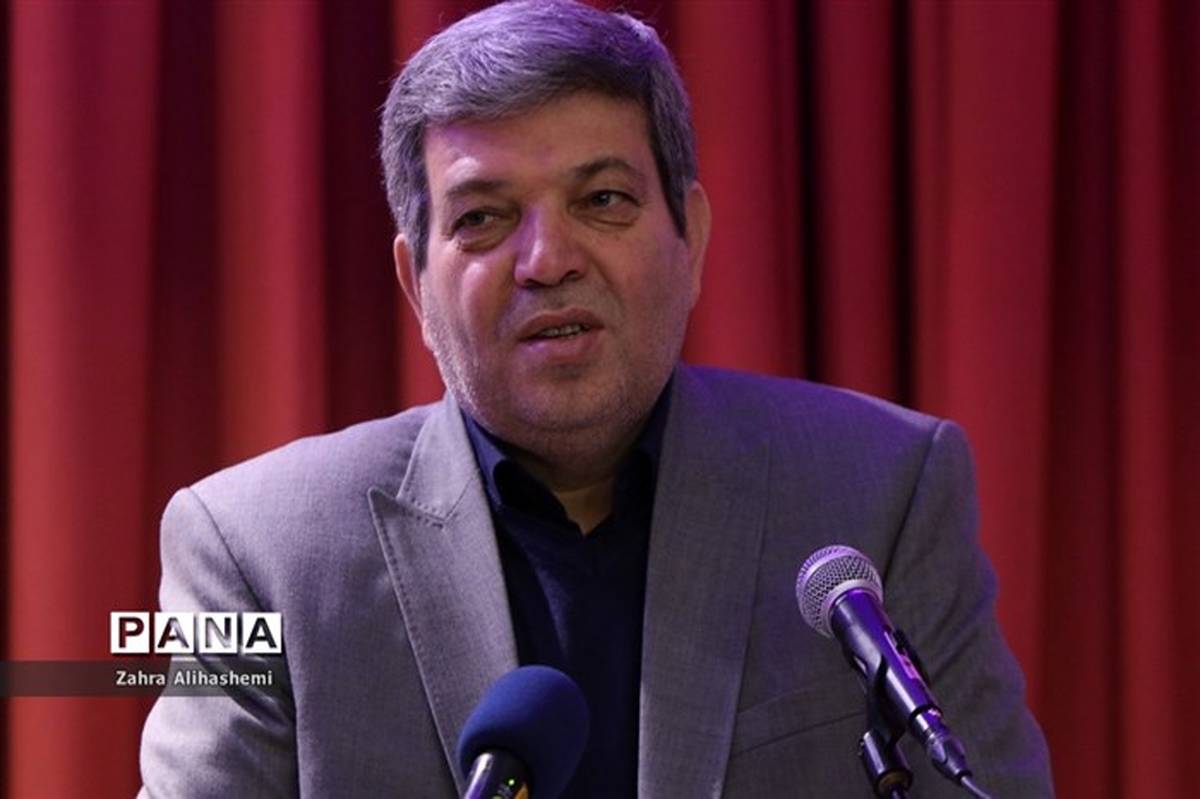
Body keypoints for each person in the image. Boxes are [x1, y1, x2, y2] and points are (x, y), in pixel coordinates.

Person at [138, 1, 1054, 796]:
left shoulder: (881, 492)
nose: (547, 260)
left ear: (691, 239)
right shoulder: (250, 548)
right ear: (415, 283)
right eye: (484, 217)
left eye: (604, 199)